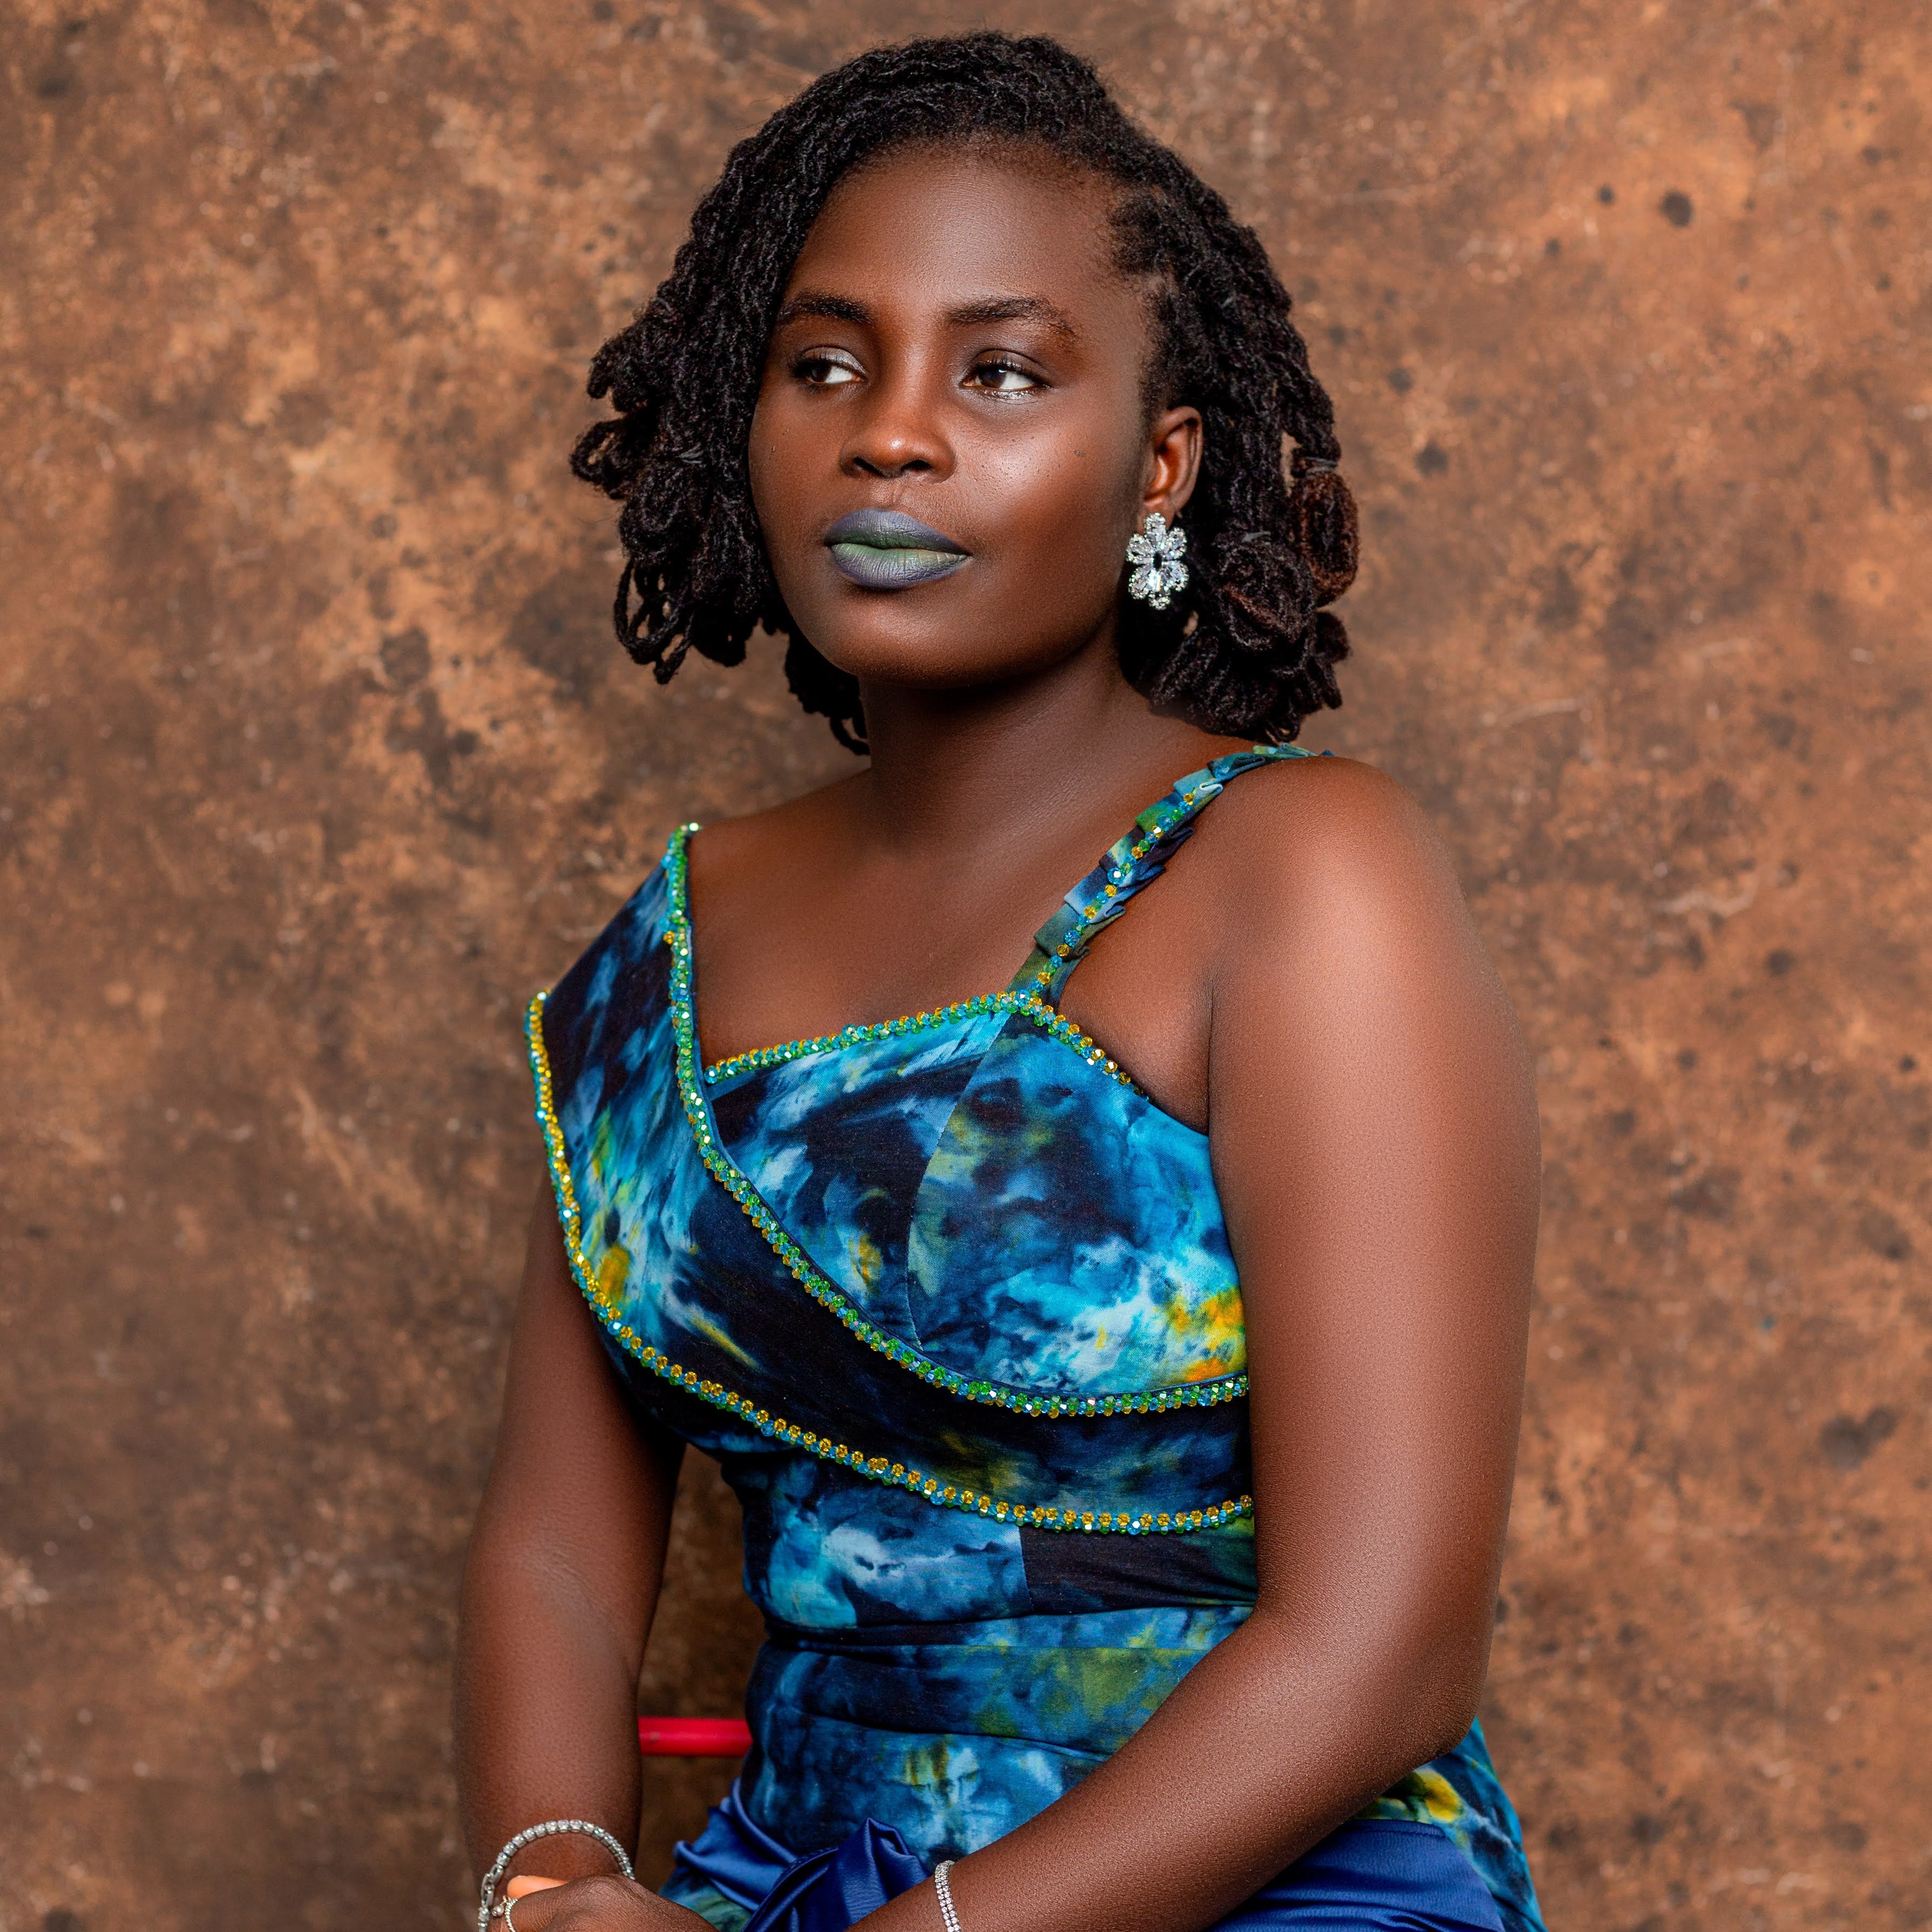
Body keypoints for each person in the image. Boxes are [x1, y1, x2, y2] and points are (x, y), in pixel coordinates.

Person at [454, 32, 1545, 1932]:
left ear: (1161, 463)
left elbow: (1384, 1646)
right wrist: (552, 1883)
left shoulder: (1301, 879)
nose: (892, 429)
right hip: (785, 1884)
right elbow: (554, 1545)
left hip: (1271, 1888)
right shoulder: (668, 944)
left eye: (1002, 371)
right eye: (824, 362)